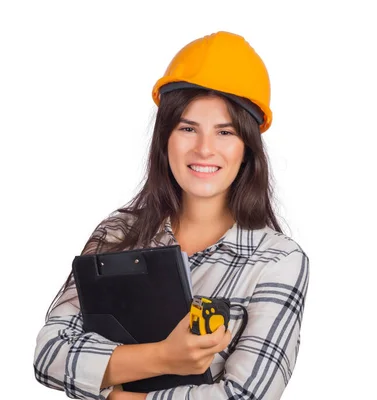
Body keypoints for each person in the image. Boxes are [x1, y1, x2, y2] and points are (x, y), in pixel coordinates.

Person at [33, 31, 310, 400]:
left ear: (247, 149)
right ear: (165, 139)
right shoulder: (117, 234)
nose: (204, 149)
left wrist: (122, 394)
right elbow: (50, 352)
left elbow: (244, 396)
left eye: (224, 131)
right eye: (187, 128)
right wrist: (163, 357)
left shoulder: (278, 261)